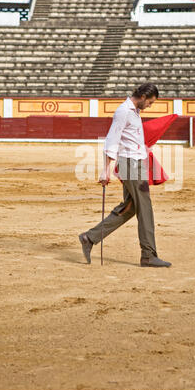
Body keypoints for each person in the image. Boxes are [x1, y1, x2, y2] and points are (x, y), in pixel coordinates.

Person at [79, 83, 172, 268]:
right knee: (145, 208)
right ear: (143, 96)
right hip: (131, 166)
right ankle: (148, 255)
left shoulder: (134, 112)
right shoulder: (123, 111)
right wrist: (106, 170)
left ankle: (90, 237)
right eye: (150, 103)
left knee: (130, 208)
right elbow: (111, 140)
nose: (150, 106)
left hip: (135, 163)